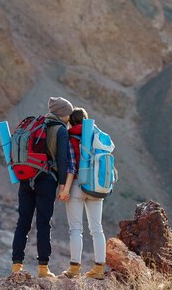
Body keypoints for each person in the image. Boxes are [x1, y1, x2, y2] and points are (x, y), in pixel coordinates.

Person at [11, 97, 75, 278]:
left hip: (26, 179)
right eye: (68, 114)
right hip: (47, 180)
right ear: (63, 114)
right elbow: (62, 159)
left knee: (23, 222)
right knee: (43, 223)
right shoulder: (60, 130)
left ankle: (17, 266)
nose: (69, 118)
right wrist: (63, 185)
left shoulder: (35, 125)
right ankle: (43, 268)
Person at [59, 107, 106, 280]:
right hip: (96, 186)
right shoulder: (97, 134)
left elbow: (69, 165)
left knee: (76, 229)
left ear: (71, 121)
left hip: (77, 185)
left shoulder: (69, 137)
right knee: (97, 228)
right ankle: (99, 268)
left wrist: (64, 188)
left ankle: (74, 269)